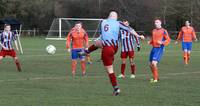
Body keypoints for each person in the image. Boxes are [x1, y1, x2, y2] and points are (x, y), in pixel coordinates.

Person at [80, 11, 145, 95]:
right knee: (97, 43)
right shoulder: (118, 23)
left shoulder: (103, 22)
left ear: (108, 16)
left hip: (106, 49)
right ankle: (87, 51)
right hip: (114, 48)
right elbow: (130, 29)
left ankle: (116, 88)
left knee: (110, 70)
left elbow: (103, 34)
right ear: (116, 17)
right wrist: (138, 36)